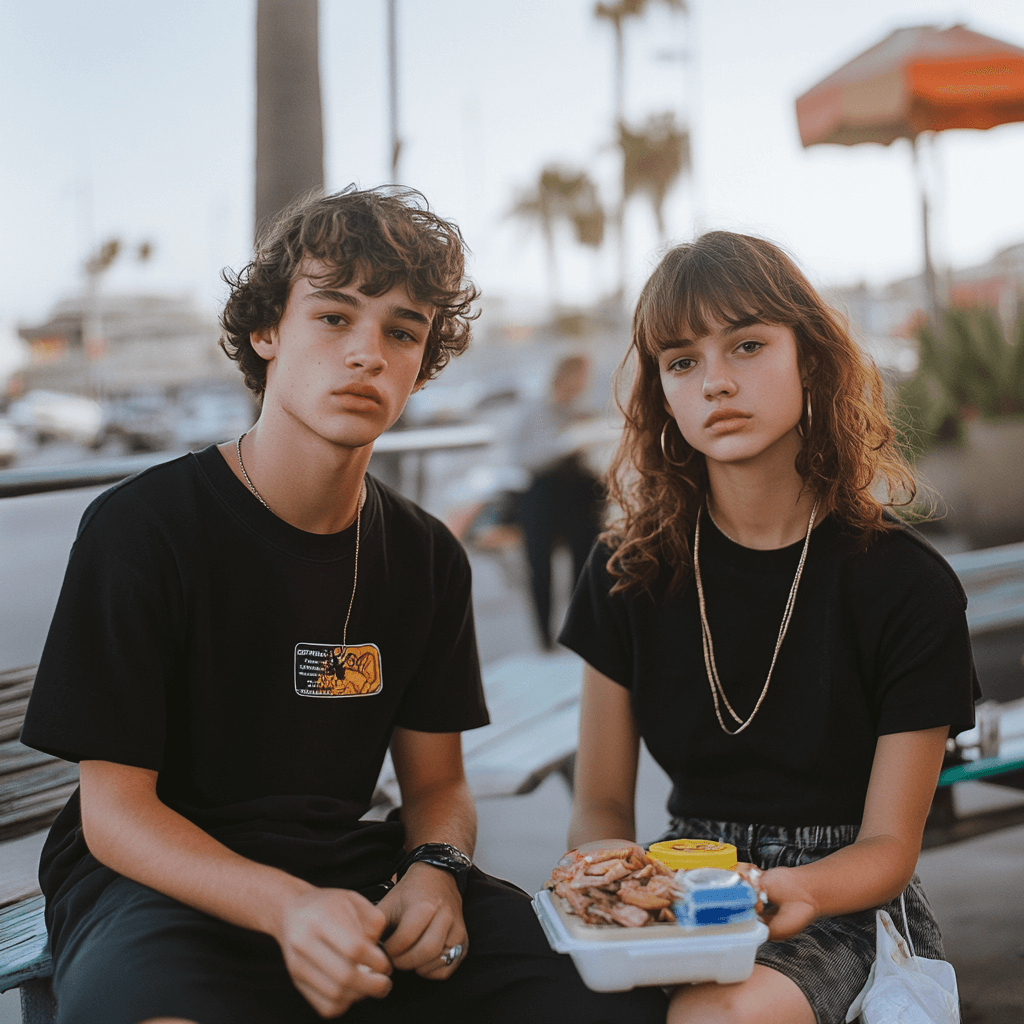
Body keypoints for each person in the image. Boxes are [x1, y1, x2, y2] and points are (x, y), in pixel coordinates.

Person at [21, 186, 666, 1024]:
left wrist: (436, 868)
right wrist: (287, 908)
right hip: (155, 886)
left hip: (353, 873)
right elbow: (115, 817)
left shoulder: (427, 554)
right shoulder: (145, 528)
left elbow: (437, 787)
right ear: (267, 333)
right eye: (333, 318)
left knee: (614, 1001)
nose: (367, 352)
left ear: (422, 364)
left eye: (402, 331)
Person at [559, 231, 980, 1024]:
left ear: (810, 361)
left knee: (717, 1017)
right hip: (679, 888)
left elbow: (889, 851)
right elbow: (602, 806)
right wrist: (611, 887)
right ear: (661, 393)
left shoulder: (906, 585)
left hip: (842, 902)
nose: (716, 382)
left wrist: (790, 889)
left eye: (747, 345)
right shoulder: (628, 569)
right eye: (682, 361)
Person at [510, 354, 604, 650]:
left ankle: (580, 634)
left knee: (585, 566)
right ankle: (545, 641)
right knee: (540, 568)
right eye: (580, 376)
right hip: (543, 494)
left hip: (579, 494)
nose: (583, 383)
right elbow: (524, 457)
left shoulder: (580, 412)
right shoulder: (536, 410)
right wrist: (565, 443)